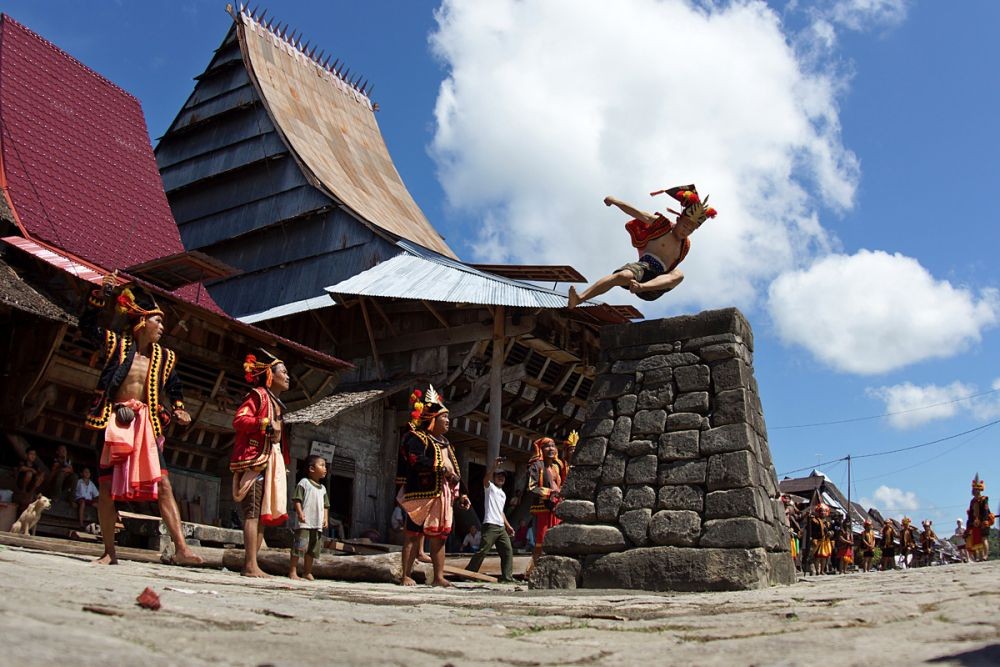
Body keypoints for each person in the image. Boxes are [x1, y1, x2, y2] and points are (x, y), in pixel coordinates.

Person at [80, 276, 203, 566]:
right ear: (142, 321)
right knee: (107, 488)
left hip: (147, 427)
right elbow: (87, 327)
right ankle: (109, 552)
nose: (162, 327)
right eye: (157, 321)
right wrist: (99, 296)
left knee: (164, 486)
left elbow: (175, 388)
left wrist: (180, 409)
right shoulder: (115, 344)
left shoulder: (166, 357)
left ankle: (182, 549)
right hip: (114, 421)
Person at [568, 185, 717, 307]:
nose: (686, 231)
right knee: (622, 276)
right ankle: (580, 298)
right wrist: (614, 201)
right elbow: (637, 212)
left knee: (679, 274)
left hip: (656, 283)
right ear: (678, 219)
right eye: (685, 226)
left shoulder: (686, 245)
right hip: (643, 268)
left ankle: (642, 287)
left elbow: (672, 271)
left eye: (691, 230)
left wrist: (646, 286)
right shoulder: (662, 225)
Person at [398, 386, 471, 587]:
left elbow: (455, 470)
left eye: (448, 418)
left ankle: (438, 577)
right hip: (421, 493)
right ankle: (405, 575)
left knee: (439, 537)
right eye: (444, 418)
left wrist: (462, 494)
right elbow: (415, 460)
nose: (448, 421)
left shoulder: (447, 443)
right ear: (432, 420)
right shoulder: (417, 438)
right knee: (413, 535)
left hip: (443, 494)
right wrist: (441, 469)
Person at [231, 350, 292, 577]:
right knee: (252, 513)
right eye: (284, 372)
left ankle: (253, 563)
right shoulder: (257, 395)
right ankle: (249, 565)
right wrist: (264, 422)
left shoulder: (276, 403)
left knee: (262, 514)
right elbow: (240, 420)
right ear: (270, 375)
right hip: (254, 460)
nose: (288, 377)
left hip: (269, 462)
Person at [466, 457, 516, 583]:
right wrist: (494, 466)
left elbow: (501, 512)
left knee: (508, 551)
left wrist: (508, 526)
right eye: (498, 476)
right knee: (483, 550)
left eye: (503, 476)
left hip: (500, 527)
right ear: (494, 477)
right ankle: (468, 574)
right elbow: (485, 479)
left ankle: (507, 577)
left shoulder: (503, 494)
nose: (501, 478)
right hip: (490, 525)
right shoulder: (490, 488)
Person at [526, 436, 569, 572]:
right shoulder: (536, 466)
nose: (551, 448)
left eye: (553, 445)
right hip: (543, 508)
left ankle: (554, 570)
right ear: (541, 449)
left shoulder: (557, 466)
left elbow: (560, 485)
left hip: (556, 507)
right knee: (541, 540)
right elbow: (532, 487)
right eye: (547, 446)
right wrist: (549, 493)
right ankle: (534, 571)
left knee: (556, 539)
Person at [289, 455, 329, 581]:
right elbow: (297, 499)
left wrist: (325, 518)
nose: (325, 468)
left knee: (312, 549)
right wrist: (300, 512)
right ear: (311, 469)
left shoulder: (323, 489)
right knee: (299, 546)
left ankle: (307, 572)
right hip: (305, 522)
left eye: (325, 466)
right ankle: (293, 571)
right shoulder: (304, 483)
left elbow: (326, 505)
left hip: (317, 523)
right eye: (322, 465)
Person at [964, 473, 993, 562]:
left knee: (984, 538)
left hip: (984, 521)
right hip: (975, 523)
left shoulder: (984, 499)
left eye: (974, 489)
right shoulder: (972, 501)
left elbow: (985, 511)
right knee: (976, 539)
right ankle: (979, 557)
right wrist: (970, 523)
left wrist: (984, 521)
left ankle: (985, 555)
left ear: (978, 490)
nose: (972, 491)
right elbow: (971, 513)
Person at [808, 504, 832, 576]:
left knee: (824, 557)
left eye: (824, 511)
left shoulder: (828, 522)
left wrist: (831, 533)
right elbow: (812, 529)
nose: (823, 513)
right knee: (817, 557)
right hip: (817, 540)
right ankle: (817, 570)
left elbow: (831, 530)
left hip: (825, 541)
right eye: (821, 511)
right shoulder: (815, 520)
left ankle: (822, 570)